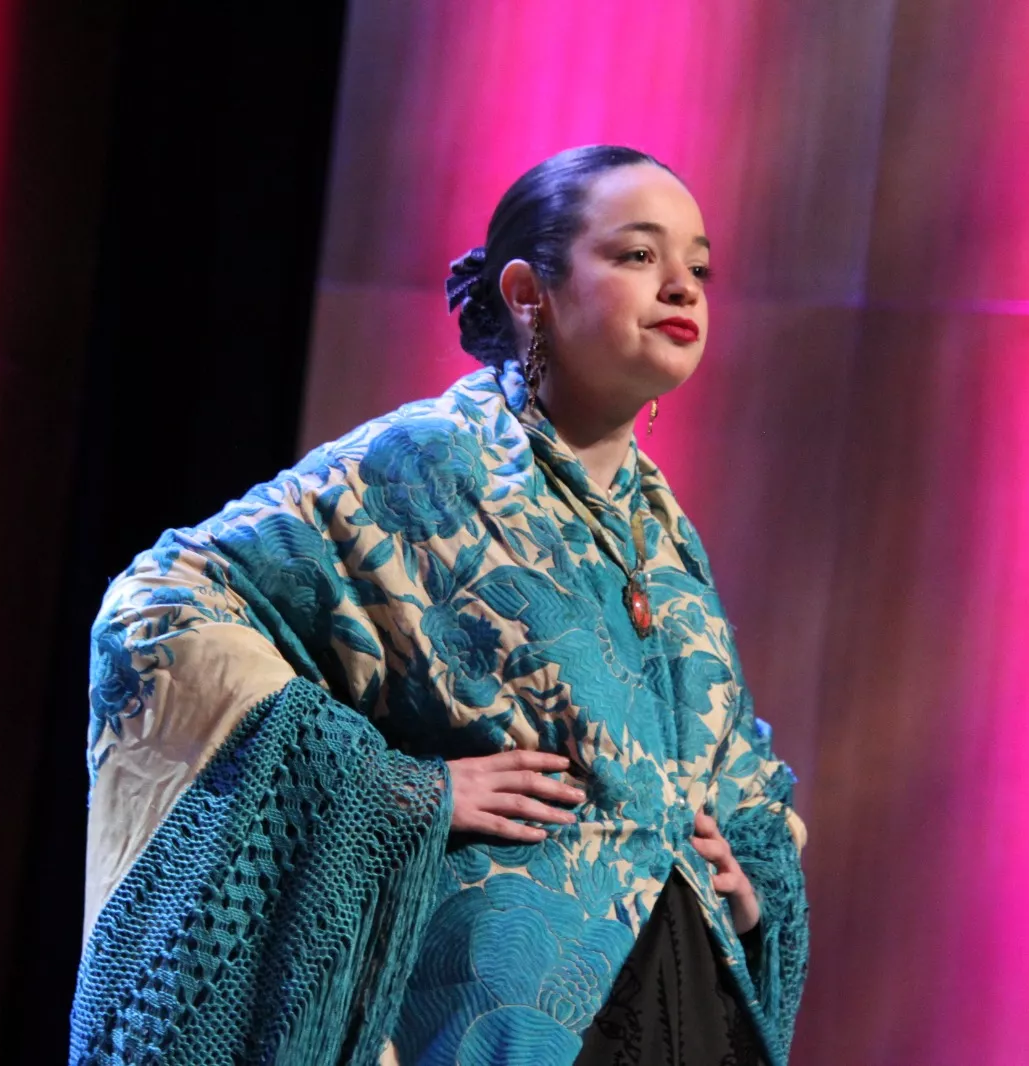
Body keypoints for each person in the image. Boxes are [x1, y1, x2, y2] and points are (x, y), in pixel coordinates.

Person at [70, 145, 809, 1066]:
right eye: (636, 256)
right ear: (528, 291)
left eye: (698, 266)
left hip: (682, 1011)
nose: (682, 287)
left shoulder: (665, 536)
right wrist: (402, 793)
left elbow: (736, 772)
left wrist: (751, 869)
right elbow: (160, 610)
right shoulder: (428, 465)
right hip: (497, 1016)